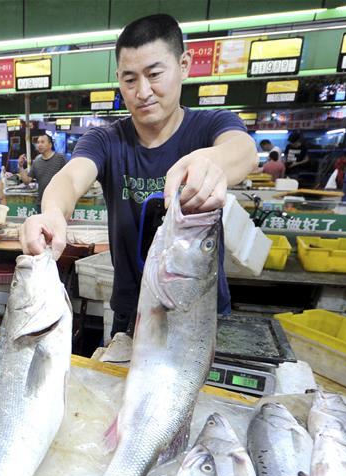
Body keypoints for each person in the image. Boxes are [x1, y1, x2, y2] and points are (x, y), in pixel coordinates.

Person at [19, 13, 257, 337]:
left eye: (154, 74)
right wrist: (51, 213)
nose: (143, 91)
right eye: (130, 80)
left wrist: (211, 160)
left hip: (201, 311)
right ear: (118, 78)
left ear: (184, 65)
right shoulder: (106, 140)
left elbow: (243, 150)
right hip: (132, 312)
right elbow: (71, 178)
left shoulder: (211, 126)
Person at [18, 134, 68, 211]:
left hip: (58, 203)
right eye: (38, 142)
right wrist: (21, 166)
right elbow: (26, 181)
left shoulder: (60, 158)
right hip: (41, 203)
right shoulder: (37, 160)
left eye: (42, 142)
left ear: (50, 145)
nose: (39, 145)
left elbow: (69, 178)